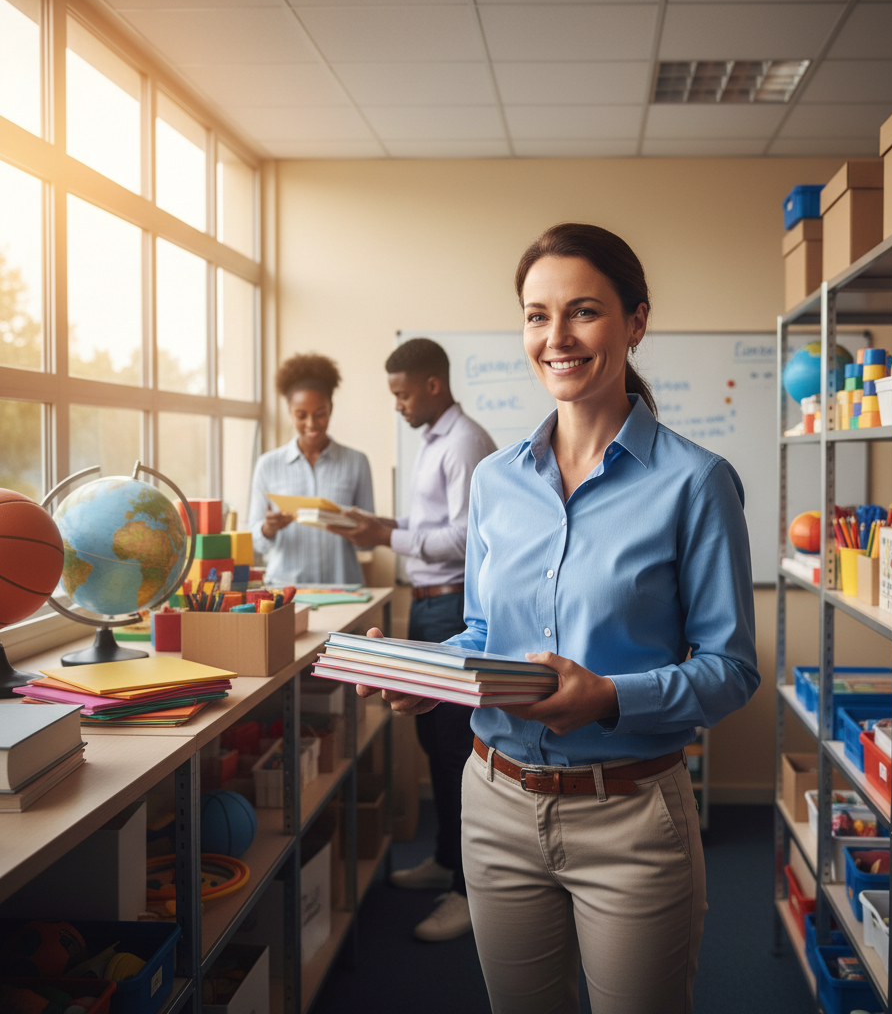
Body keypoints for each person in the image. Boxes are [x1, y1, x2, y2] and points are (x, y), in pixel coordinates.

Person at [356, 223, 759, 1013]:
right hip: (496, 802)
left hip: (632, 818)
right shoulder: (499, 480)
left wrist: (607, 697)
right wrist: (423, 675)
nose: (557, 338)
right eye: (537, 316)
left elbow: (730, 668)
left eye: (583, 312)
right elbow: (483, 635)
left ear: (635, 322)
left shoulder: (697, 483)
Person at [335, 338, 496, 942]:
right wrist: (388, 529)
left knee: (457, 747)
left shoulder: (465, 443)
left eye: (403, 394)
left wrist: (389, 537)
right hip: (427, 605)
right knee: (433, 739)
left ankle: (468, 890)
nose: (398, 405)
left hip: (455, 605)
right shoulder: (433, 442)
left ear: (432, 385)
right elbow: (433, 527)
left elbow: (465, 539)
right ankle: (446, 862)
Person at [248, 353, 374, 586]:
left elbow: (367, 543)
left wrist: (351, 526)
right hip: (286, 592)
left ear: (331, 408)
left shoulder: (357, 462)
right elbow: (256, 541)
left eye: (320, 414)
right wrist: (268, 528)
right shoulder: (268, 465)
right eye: (301, 415)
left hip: (343, 589)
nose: (311, 424)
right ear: (289, 412)